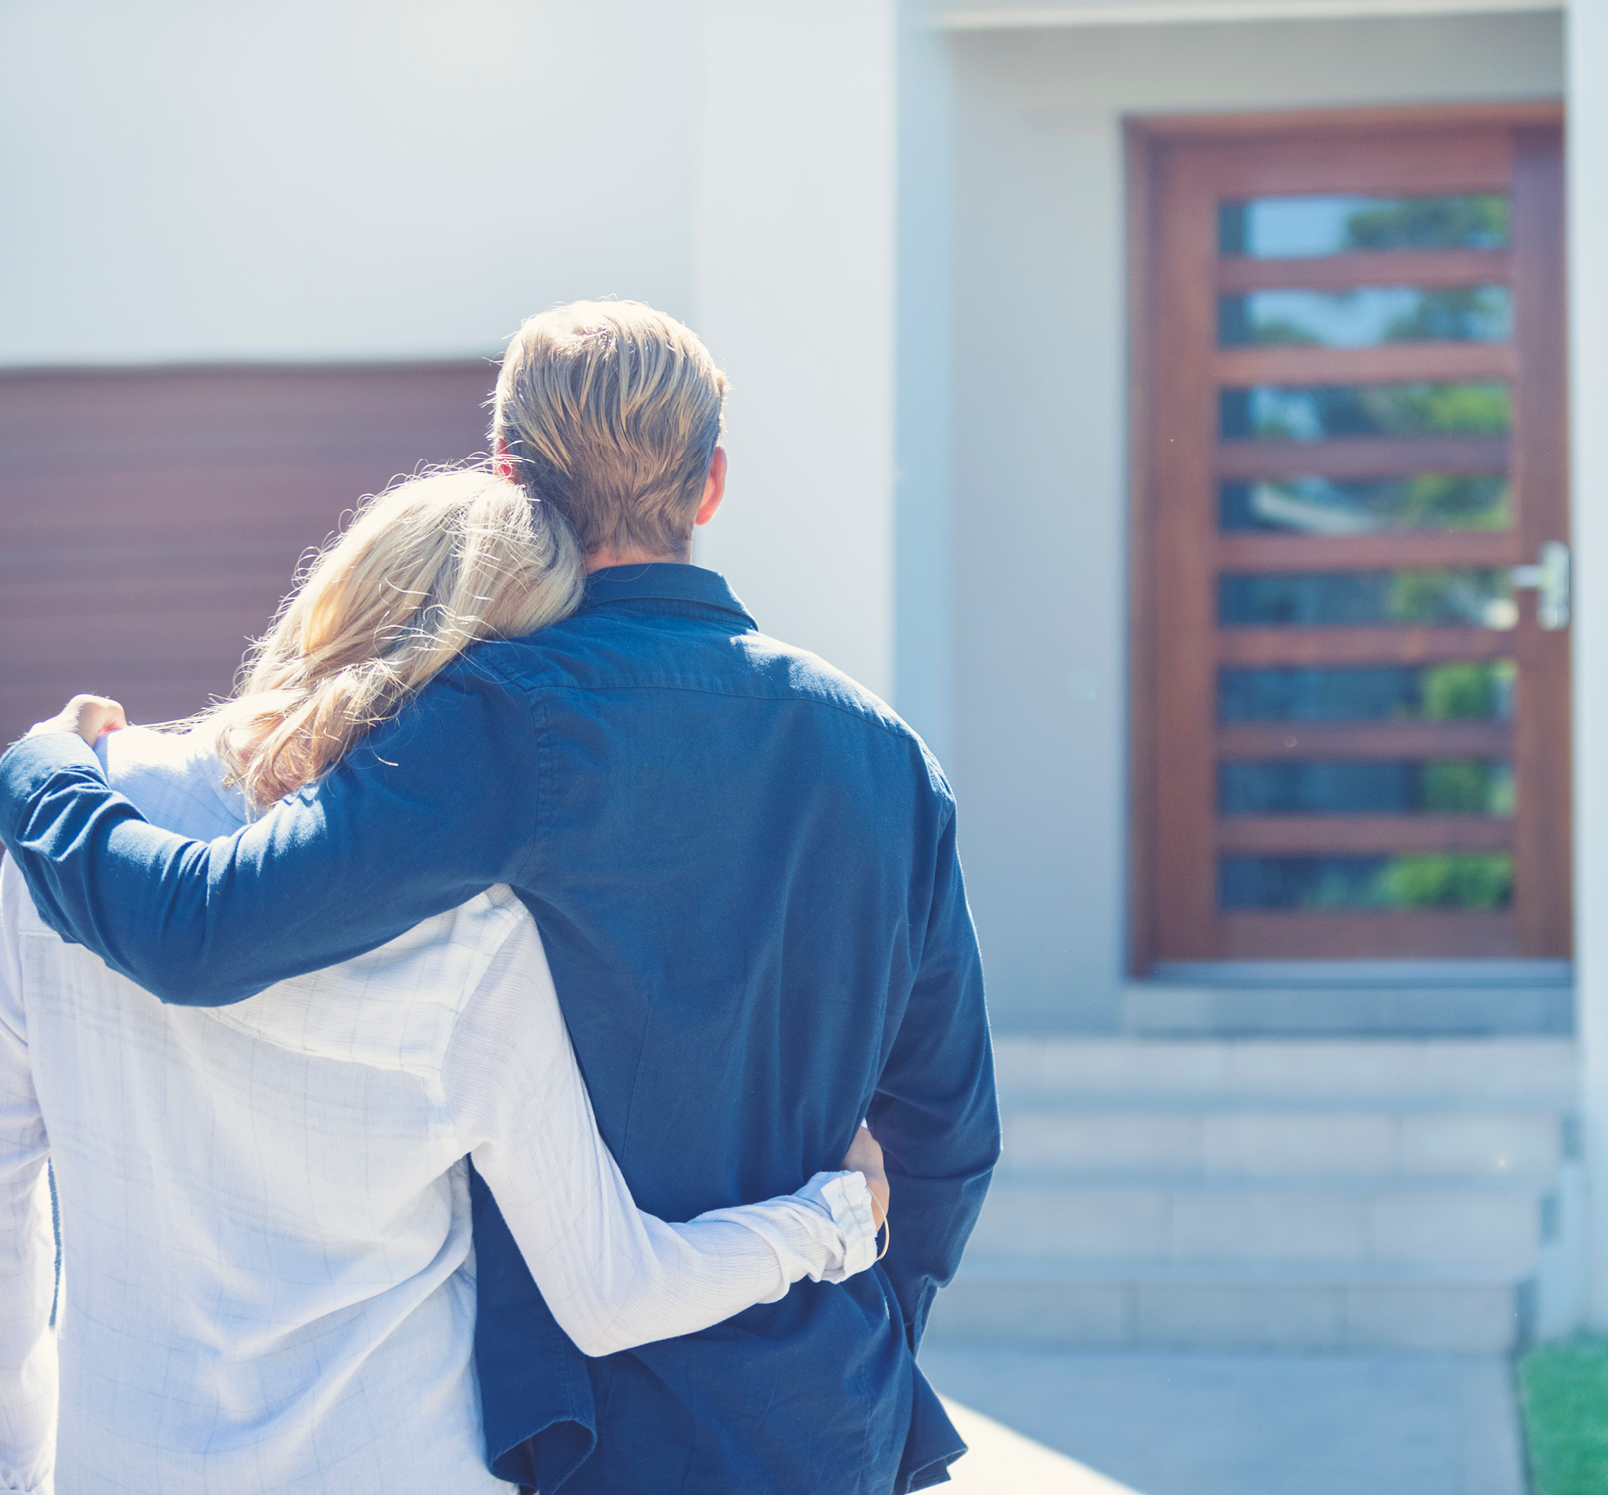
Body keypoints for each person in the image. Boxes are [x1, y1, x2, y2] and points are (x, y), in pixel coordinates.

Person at [0, 301, 1000, 1495]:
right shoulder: (886, 754)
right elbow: (947, 1132)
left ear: (508, 474)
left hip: (585, 1435)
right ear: (713, 483)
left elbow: (205, 932)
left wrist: (46, 779)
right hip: (829, 1414)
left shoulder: (492, 718)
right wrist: (869, 1315)